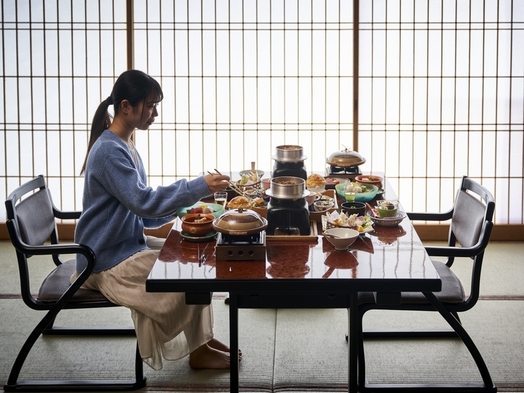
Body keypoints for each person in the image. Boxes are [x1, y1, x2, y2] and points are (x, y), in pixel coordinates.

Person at [73, 69, 234, 371]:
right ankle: (198, 350)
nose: (155, 113)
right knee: (187, 271)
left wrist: (196, 202)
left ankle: (202, 342)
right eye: (150, 105)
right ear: (125, 106)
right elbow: (144, 202)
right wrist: (198, 186)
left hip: (124, 244)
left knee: (195, 253)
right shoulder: (109, 151)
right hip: (105, 259)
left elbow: (142, 209)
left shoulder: (125, 143)